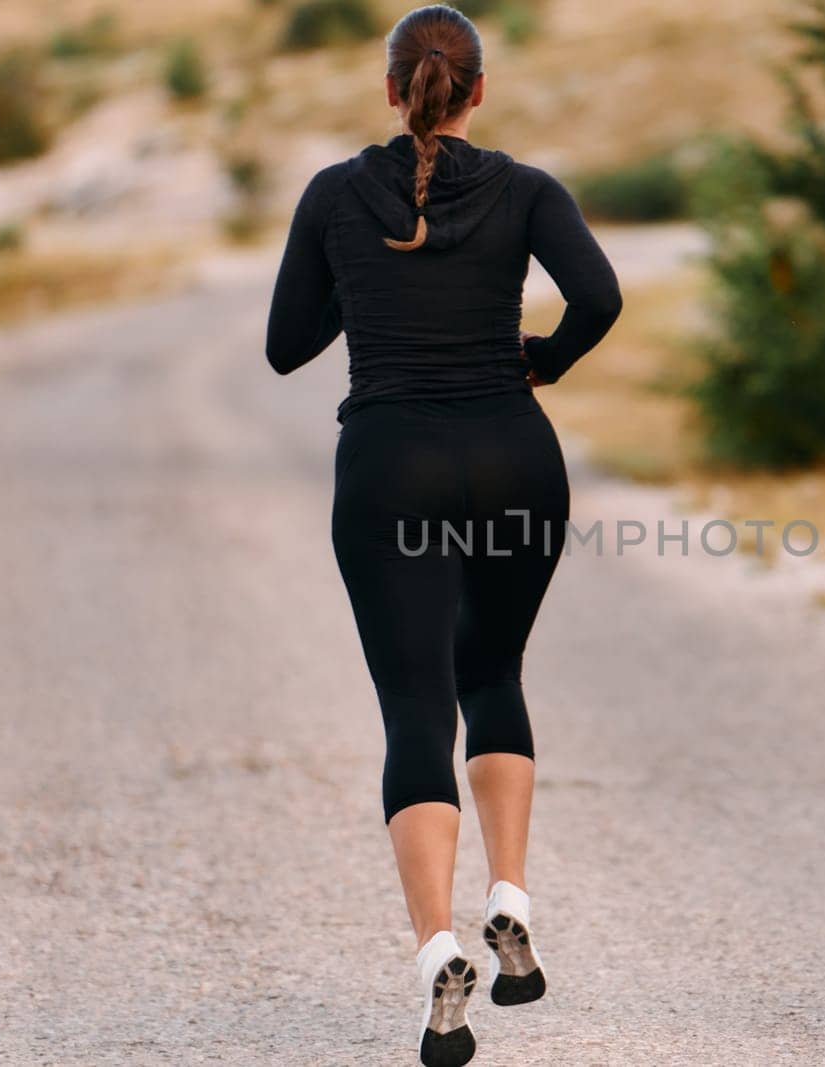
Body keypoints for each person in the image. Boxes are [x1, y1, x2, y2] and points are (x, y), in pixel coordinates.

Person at [264, 7, 621, 1065]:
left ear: (392, 91)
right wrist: (540, 361)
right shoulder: (526, 189)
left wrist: (367, 282)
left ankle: (436, 954)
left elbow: (287, 344)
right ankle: (510, 892)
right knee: (492, 672)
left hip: (392, 466)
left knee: (414, 706)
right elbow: (598, 296)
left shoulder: (336, 194)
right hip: (515, 455)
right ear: (475, 92)